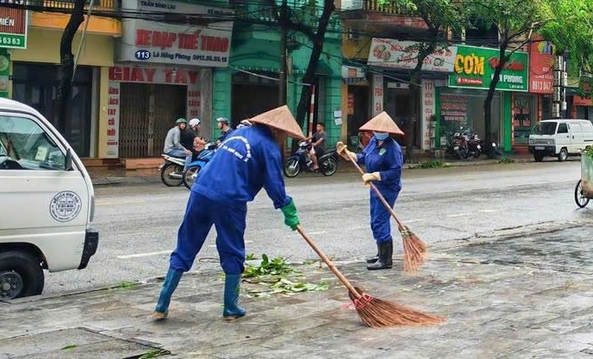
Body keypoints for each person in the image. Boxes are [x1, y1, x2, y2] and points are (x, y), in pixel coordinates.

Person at [152, 105, 304, 321]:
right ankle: (231, 308)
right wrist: (287, 209)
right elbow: (274, 185)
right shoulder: (269, 147)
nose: (285, 140)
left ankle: (161, 304)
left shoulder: (238, 133)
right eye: (285, 135)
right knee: (232, 249)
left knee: (186, 243)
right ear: (276, 131)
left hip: (201, 190)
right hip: (229, 199)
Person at [336, 111, 404, 271]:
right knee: (374, 220)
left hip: (388, 188)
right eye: (376, 131)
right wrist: (349, 155)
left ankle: (386, 260)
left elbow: (396, 172)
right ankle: (380, 253)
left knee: (380, 221)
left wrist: (375, 175)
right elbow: (364, 157)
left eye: (382, 131)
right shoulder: (373, 142)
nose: (378, 133)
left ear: (388, 132)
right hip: (374, 186)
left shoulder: (393, 148)